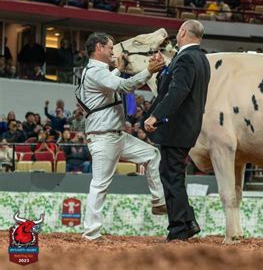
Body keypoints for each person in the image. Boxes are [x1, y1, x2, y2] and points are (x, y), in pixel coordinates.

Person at [78, 32, 166, 241]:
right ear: (98, 47)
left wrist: (119, 68)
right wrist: (148, 71)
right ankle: (91, 233)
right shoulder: (94, 71)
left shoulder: (97, 71)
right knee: (100, 184)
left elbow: (110, 81)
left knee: (152, 154)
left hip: (116, 136)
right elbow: (124, 86)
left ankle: (159, 201)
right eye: (110, 47)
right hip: (103, 137)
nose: (112, 51)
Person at [144, 20, 211, 241]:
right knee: (173, 176)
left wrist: (156, 115)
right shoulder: (200, 58)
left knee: (171, 177)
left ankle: (180, 228)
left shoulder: (186, 58)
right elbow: (178, 86)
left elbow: (177, 92)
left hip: (176, 128)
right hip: (187, 127)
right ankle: (187, 222)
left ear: (182, 32)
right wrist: (164, 69)